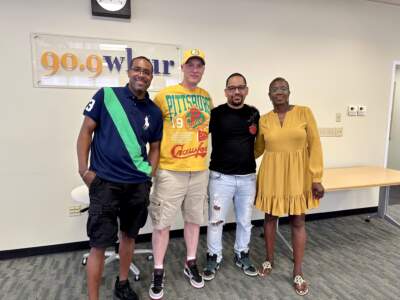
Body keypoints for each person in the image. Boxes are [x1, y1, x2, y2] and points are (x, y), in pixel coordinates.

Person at [76, 56, 163, 300]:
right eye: (137, 69)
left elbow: (155, 148)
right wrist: (83, 170)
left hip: (137, 186)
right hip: (105, 183)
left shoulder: (154, 112)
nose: (141, 75)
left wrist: (149, 175)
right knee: (99, 244)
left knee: (128, 236)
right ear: (129, 71)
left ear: (151, 77)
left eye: (147, 72)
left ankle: (122, 283)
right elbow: (85, 132)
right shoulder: (106, 96)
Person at [148, 49, 213, 299]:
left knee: (194, 219)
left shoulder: (207, 98)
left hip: (198, 171)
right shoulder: (164, 96)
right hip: (170, 170)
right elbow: (151, 131)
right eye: (191, 65)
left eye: (200, 66)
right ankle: (158, 269)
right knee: (162, 223)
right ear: (182, 68)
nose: (195, 69)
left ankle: (190, 261)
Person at [254, 77, 324, 296]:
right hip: (271, 173)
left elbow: (315, 145)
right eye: (274, 89)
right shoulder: (264, 119)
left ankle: (298, 270)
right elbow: (257, 149)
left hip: (298, 173)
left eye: (283, 88)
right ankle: (269, 260)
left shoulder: (304, 112)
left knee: (298, 220)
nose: (279, 92)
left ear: (289, 91)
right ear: (269, 95)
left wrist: (316, 177)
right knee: (270, 218)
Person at [202, 73, 259, 281]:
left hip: (247, 178)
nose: (237, 91)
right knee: (216, 221)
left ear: (246, 90)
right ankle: (213, 256)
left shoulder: (254, 113)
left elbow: (257, 142)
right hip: (220, 178)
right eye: (232, 88)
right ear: (226, 91)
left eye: (240, 87)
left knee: (245, 221)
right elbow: (198, 136)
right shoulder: (215, 114)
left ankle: (241, 253)